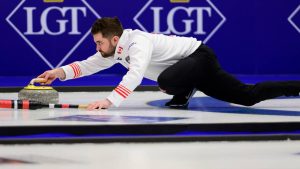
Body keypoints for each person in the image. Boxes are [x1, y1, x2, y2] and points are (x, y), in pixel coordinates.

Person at [37, 16, 300, 110]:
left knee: (165, 81)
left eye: (99, 43)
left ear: (114, 38)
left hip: (199, 58)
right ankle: (296, 87)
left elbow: (137, 73)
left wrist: (108, 102)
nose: (97, 48)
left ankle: (184, 88)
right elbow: (88, 65)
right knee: (247, 97)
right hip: (192, 69)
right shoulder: (115, 49)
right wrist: (57, 73)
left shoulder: (138, 42)